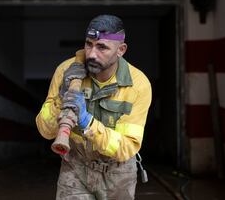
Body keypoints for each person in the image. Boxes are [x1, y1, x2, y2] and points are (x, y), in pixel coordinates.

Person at [36, 14, 152, 200]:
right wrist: (61, 98)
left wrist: (87, 122)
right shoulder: (66, 71)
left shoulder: (138, 85)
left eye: (102, 47)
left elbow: (126, 148)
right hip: (76, 168)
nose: (91, 53)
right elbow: (45, 130)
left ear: (121, 50)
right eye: (89, 44)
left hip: (118, 174)